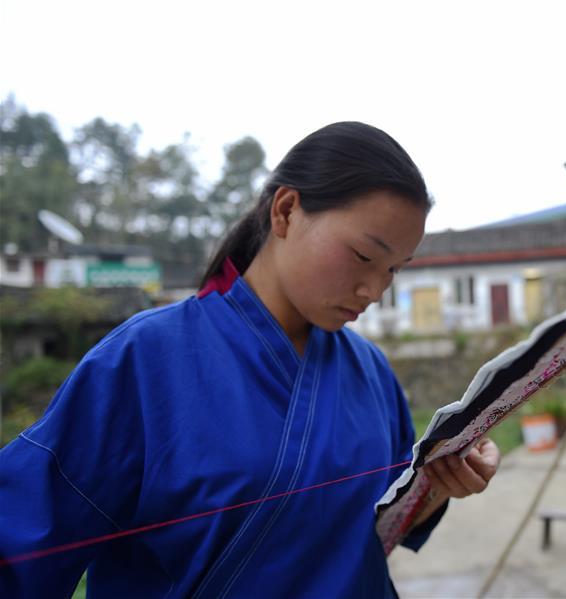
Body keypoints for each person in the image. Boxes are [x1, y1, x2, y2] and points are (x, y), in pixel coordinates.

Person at [0, 121, 500, 597]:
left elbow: (378, 527)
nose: (374, 289)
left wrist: (441, 483)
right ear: (285, 211)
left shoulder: (372, 374)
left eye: (393, 270)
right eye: (365, 256)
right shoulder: (144, 361)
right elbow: (20, 543)